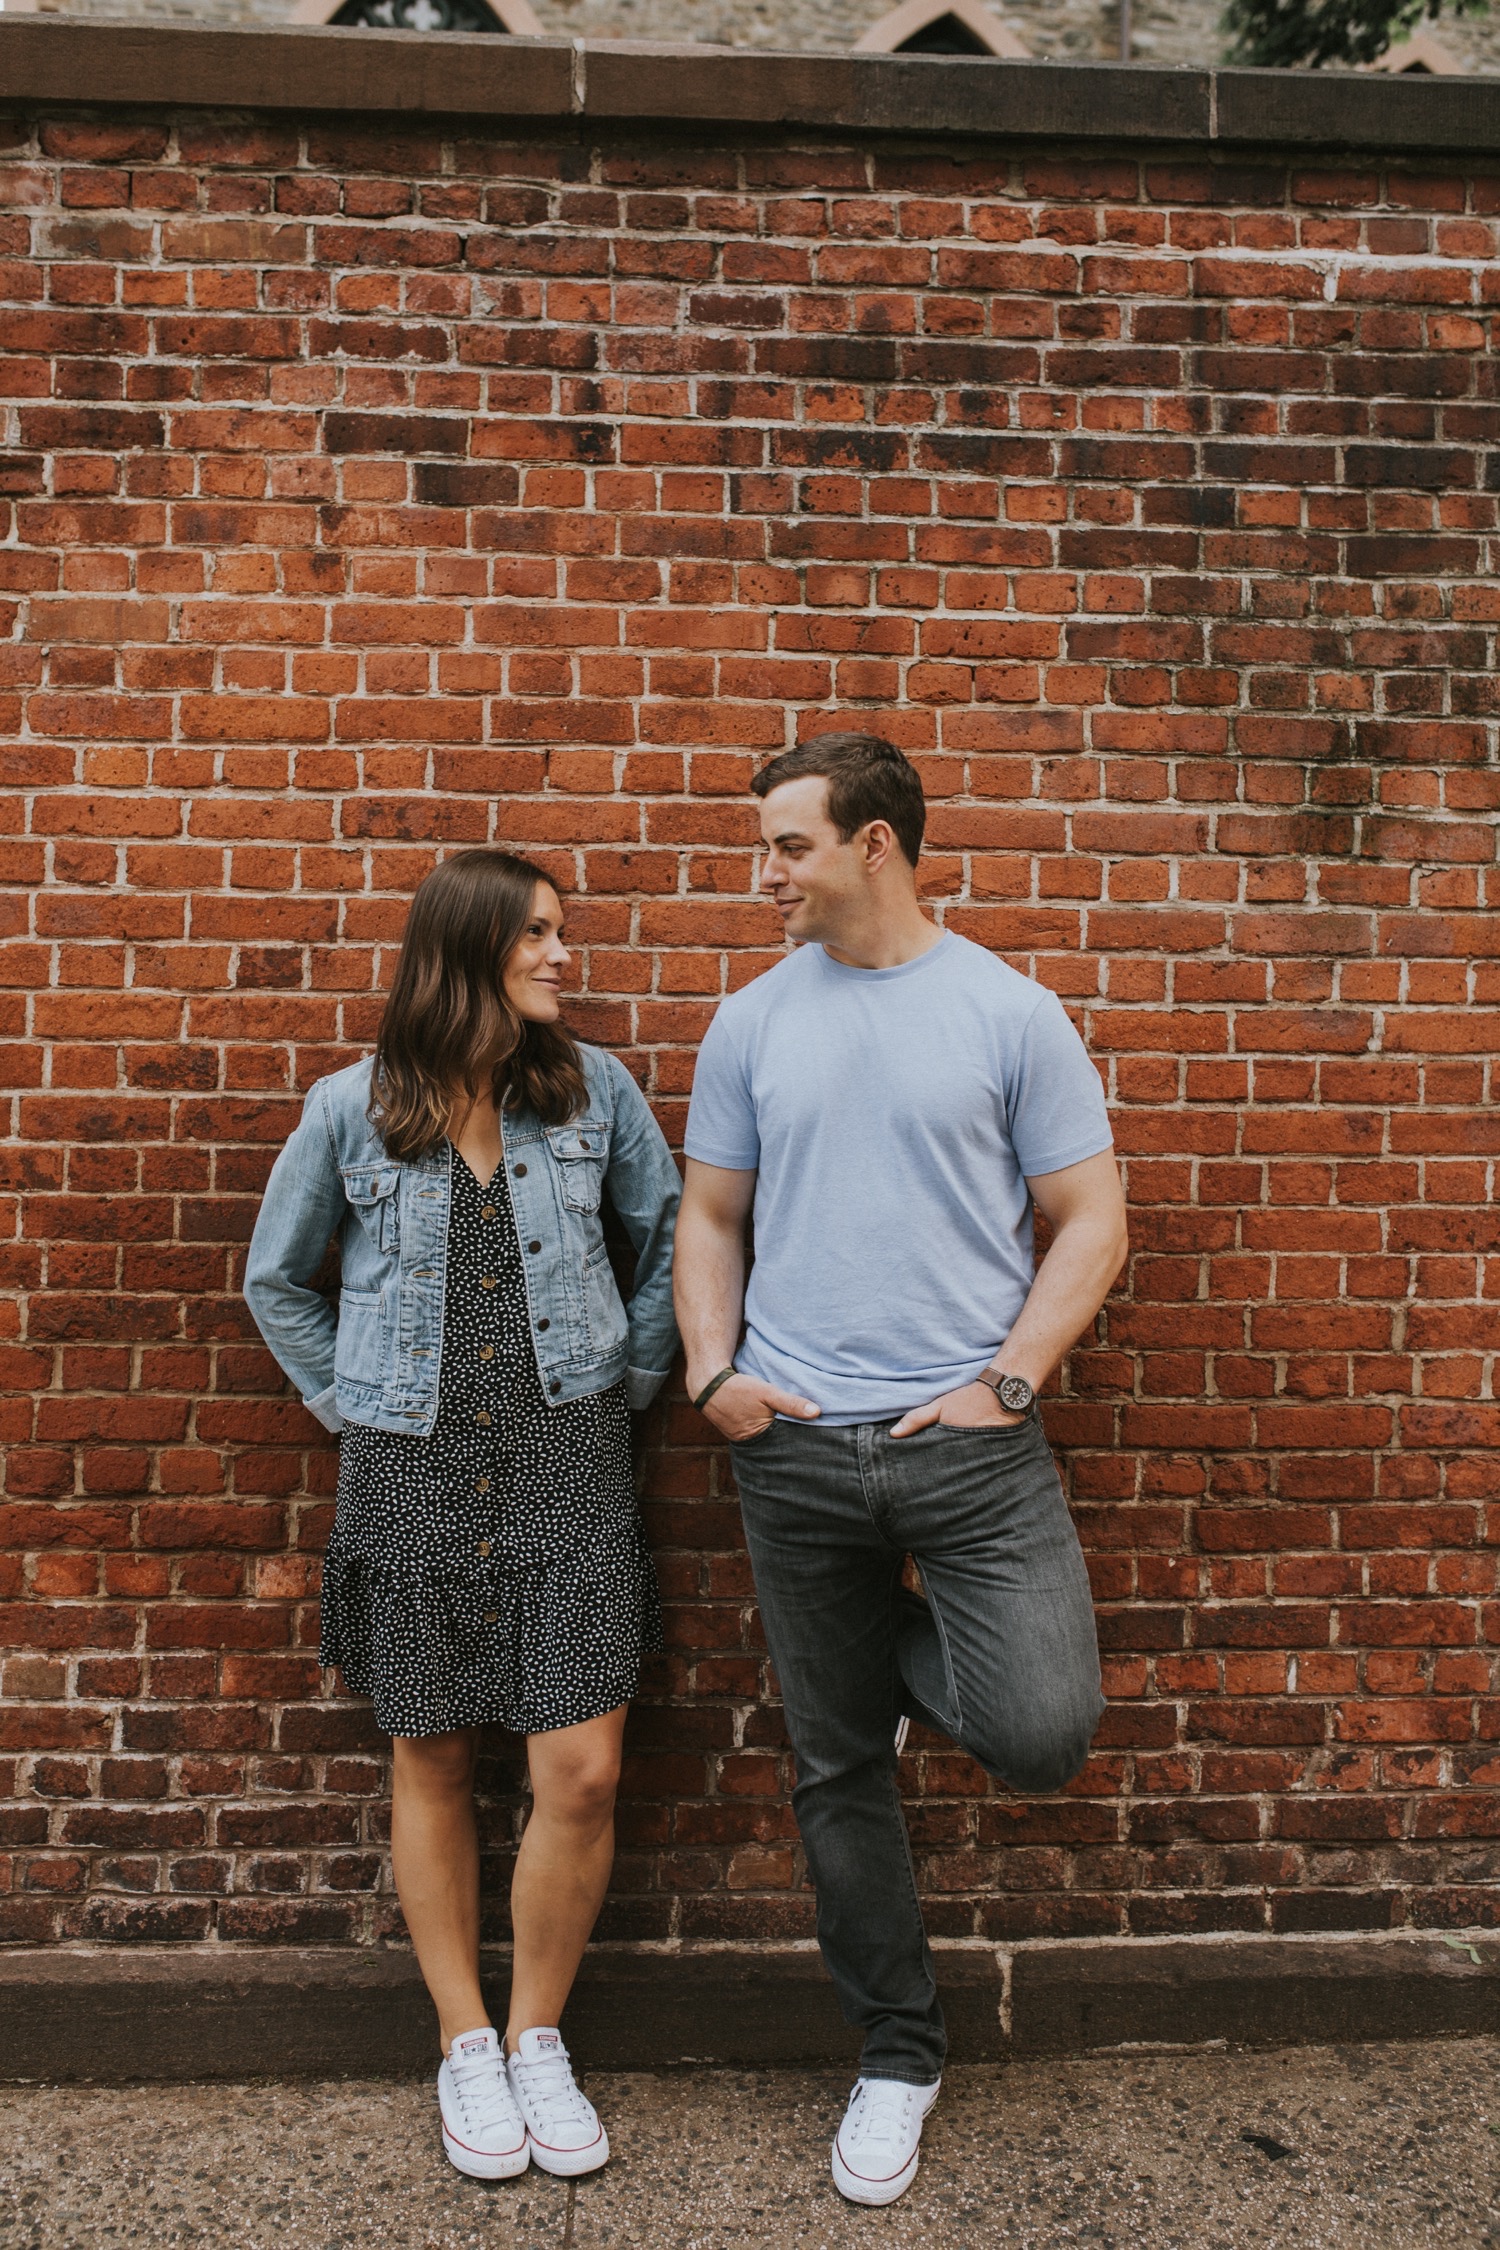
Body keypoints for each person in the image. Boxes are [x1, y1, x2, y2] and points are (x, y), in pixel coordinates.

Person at [674, 734, 1128, 2208]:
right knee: (838, 1763)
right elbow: (711, 1218)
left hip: (972, 1455)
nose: (764, 876)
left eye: (787, 847)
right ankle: (897, 2052)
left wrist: (1009, 1383)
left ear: (877, 843)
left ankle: (904, 1655)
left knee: (1042, 1723)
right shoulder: (749, 1024)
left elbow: (1090, 1220)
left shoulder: (1008, 1013)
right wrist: (711, 1372)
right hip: (794, 1452)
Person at [245, 848, 680, 2186]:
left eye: (563, 931)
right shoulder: (351, 1109)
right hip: (410, 1465)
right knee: (430, 1756)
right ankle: (465, 2041)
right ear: (469, 946)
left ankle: (539, 2032)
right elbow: (277, 1276)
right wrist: (355, 1402)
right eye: (538, 933)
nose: (564, 955)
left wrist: (634, 1384)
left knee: (582, 1770)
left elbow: (665, 1243)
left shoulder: (596, 1090)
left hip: (572, 1460)